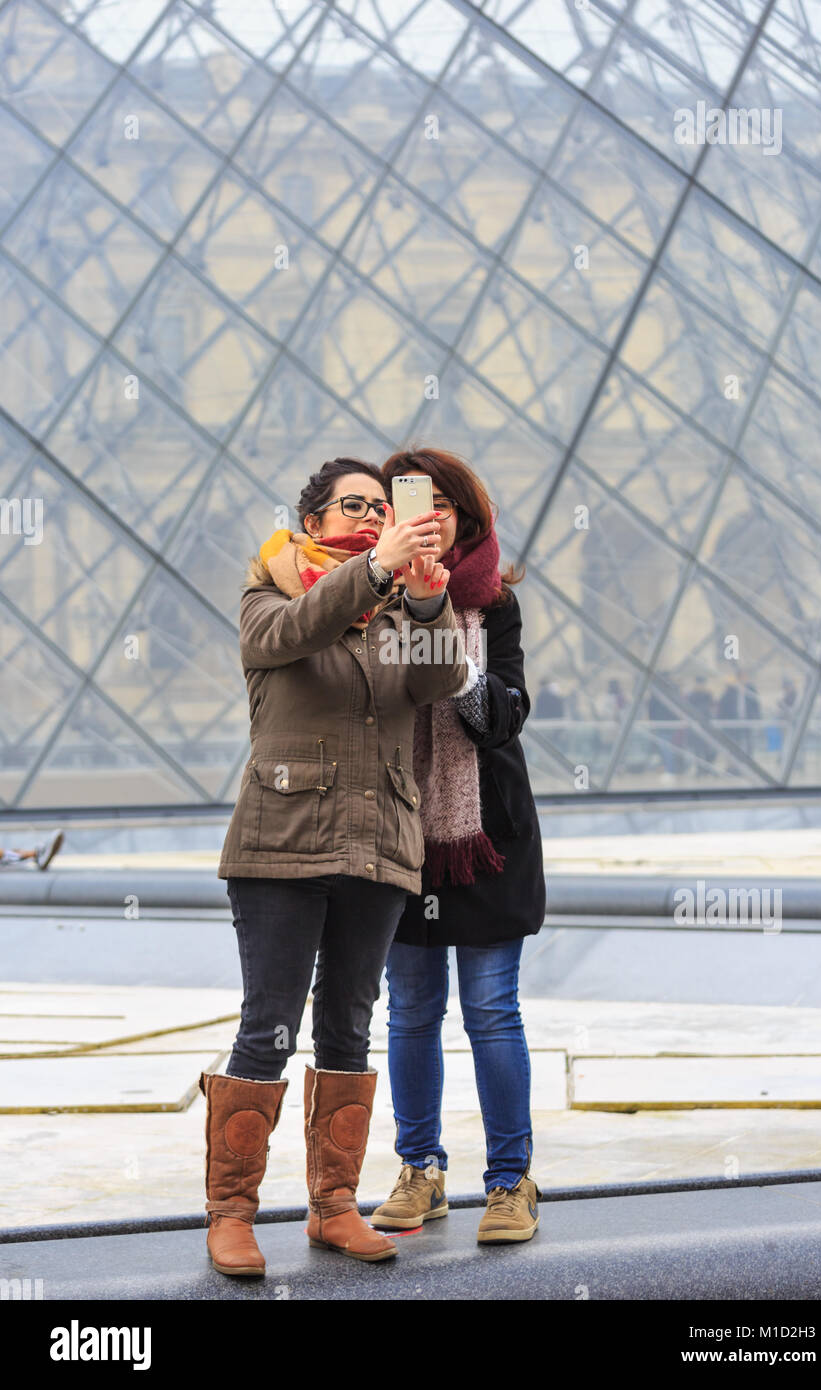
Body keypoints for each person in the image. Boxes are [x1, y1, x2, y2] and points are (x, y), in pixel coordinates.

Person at [202, 457, 470, 1276]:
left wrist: (425, 595)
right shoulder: (269, 594)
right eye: (353, 506)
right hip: (281, 842)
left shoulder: (401, 610)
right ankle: (231, 1215)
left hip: (380, 845)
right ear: (312, 521)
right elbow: (292, 635)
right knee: (268, 1026)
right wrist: (378, 566)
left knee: (350, 1025)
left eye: (384, 507)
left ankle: (334, 1207)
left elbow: (442, 680)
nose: (372, 515)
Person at [370, 447, 546, 1245]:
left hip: (486, 835)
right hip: (402, 829)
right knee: (410, 1010)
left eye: (443, 499)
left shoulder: (495, 605)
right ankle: (420, 1170)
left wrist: (445, 629)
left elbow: (500, 717)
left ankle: (510, 1182)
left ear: (466, 513)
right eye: (413, 498)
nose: (430, 511)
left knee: (489, 1010)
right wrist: (400, 598)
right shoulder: (368, 599)